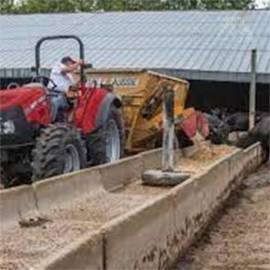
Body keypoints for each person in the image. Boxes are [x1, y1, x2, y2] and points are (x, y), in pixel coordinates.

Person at [48, 56, 83, 121]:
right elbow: (66, 70)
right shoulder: (58, 66)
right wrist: (78, 63)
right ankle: (50, 121)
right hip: (54, 93)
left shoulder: (69, 76)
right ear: (67, 62)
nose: (74, 66)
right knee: (55, 102)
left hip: (64, 95)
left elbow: (72, 87)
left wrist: (80, 82)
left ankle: (67, 121)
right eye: (72, 63)